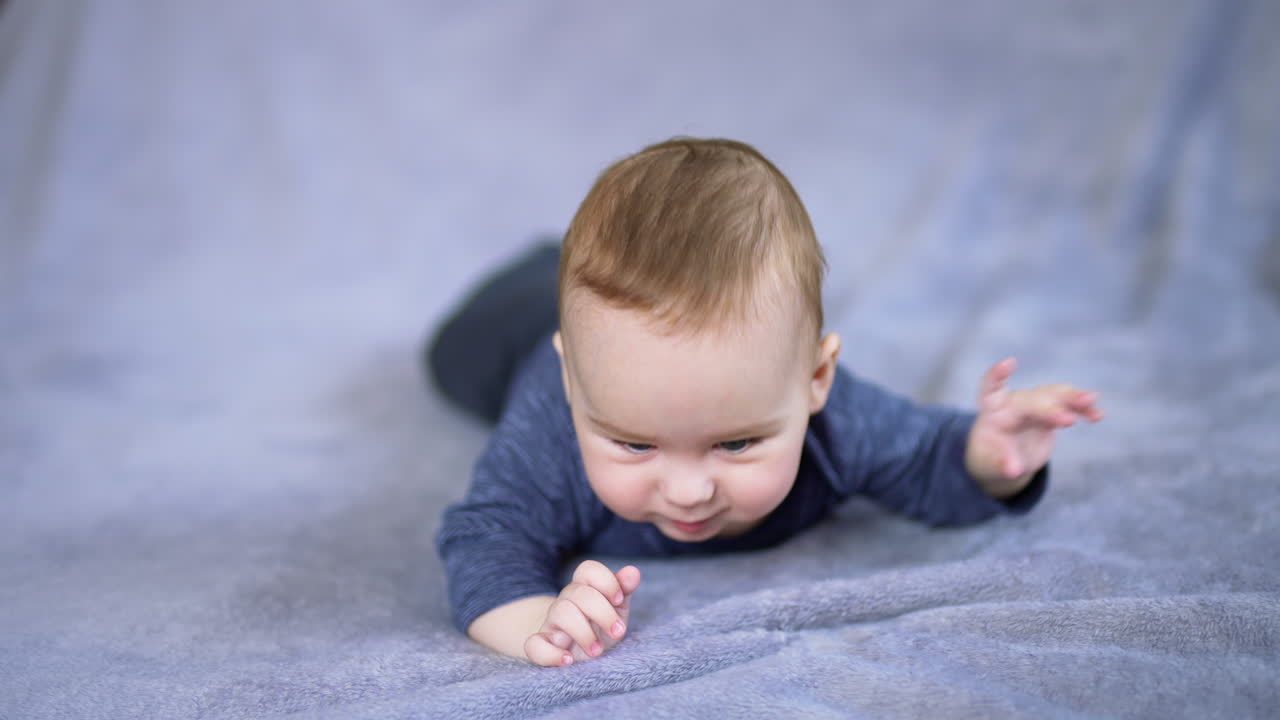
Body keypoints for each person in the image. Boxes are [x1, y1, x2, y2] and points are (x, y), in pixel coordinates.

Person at [429, 137, 1104, 667]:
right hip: (505, 332)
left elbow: (928, 459)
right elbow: (485, 541)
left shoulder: (837, 423)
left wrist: (985, 458)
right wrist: (534, 625)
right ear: (575, 382)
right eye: (635, 444)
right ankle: (547, 271)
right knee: (452, 353)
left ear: (816, 378)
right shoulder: (553, 426)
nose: (690, 491)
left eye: (736, 443)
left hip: (606, 336)